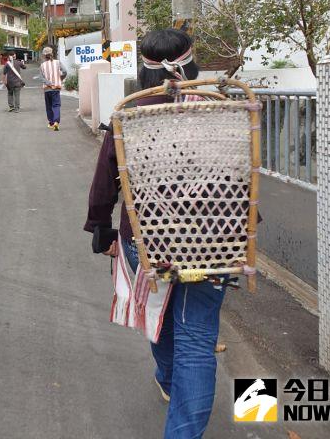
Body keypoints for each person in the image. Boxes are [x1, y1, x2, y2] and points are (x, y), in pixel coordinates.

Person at [84, 29, 227, 439]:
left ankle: (167, 376)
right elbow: (241, 180)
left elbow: (104, 182)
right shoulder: (221, 109)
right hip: (215, 242)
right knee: (197, 339)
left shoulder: (129, 114)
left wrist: (101, 226)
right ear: (191, 64)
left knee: (157, 315)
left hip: (146, 242)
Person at [39, 46, 67, 131]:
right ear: (52, 54)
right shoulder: (58, 62)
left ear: (44, 55)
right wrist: (60, 79)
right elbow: (65, 71)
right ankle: (56, 122)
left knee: (49, 106)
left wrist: (49, 83)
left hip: (47, 89)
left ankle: (51, 123)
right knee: (56, 105)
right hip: (56, 88)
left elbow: (41, 78)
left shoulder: (42, 65)